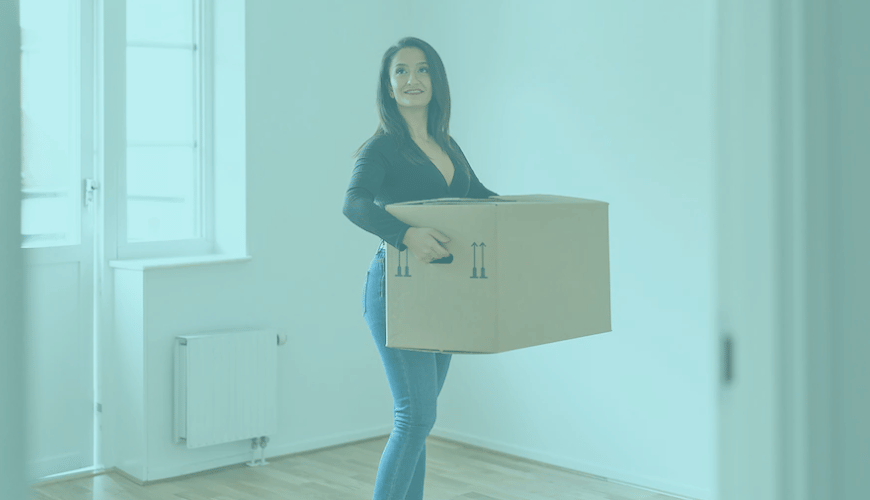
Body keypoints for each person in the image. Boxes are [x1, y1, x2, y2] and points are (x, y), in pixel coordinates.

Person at [342, 37, 498, 500]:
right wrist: (406, 235)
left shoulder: (446, 144)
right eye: (402, 72)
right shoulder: (382, 148)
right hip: (396, 288)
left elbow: (480, 198)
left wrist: (533, 216)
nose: (413, 80)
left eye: (423, 70)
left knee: (420, 421)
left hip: (441, 292)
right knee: (415, 416)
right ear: (389, 87)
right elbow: (353, 203)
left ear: (437, 81)